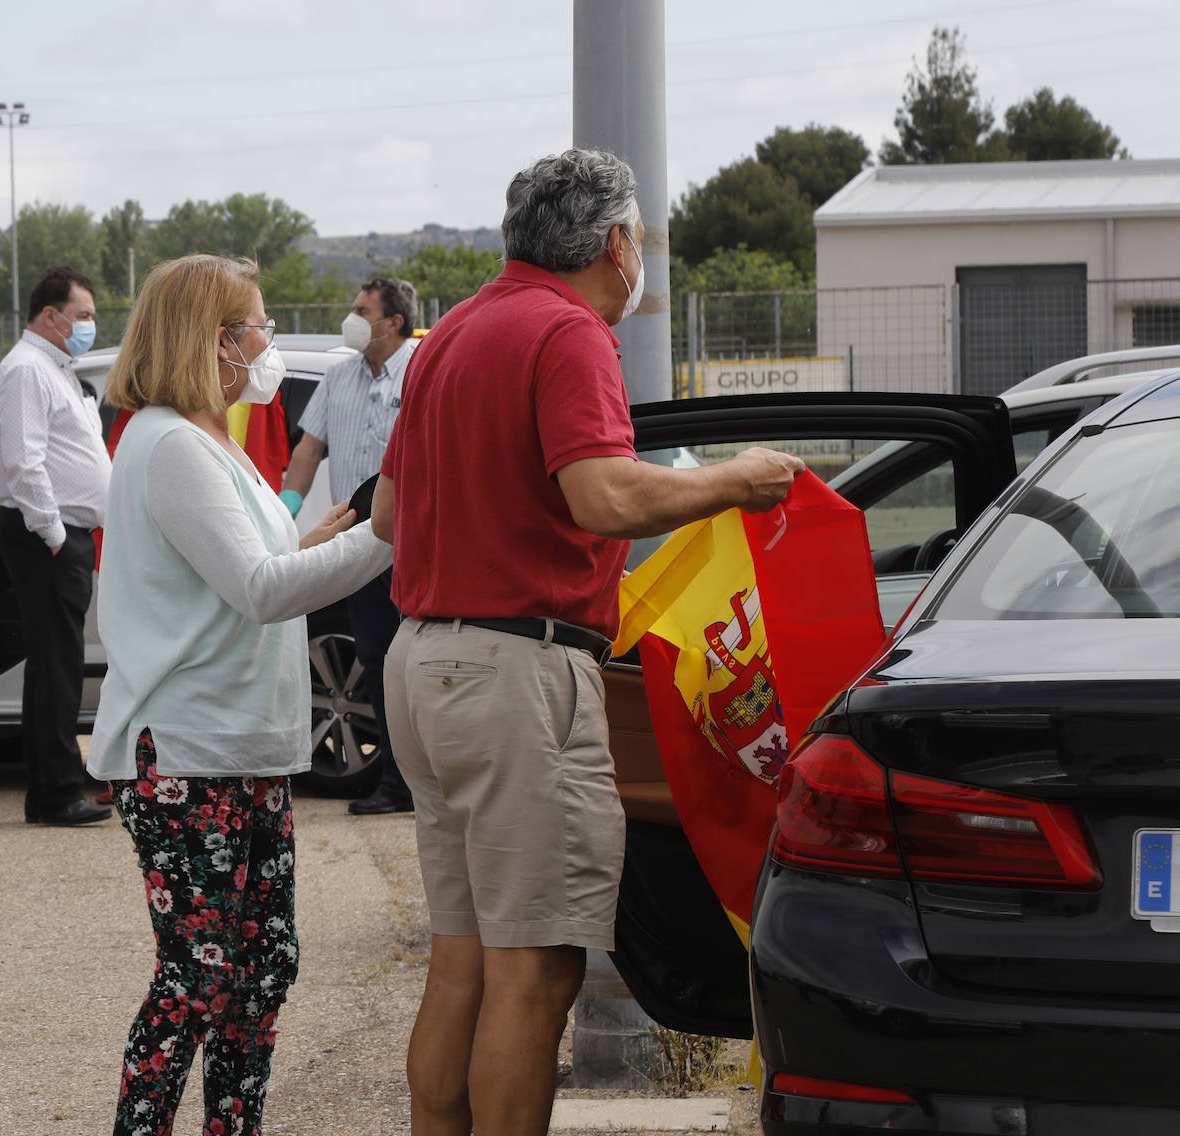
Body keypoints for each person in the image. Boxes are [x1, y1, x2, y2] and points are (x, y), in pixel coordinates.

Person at [371, 148, 805, 1136]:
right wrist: (736, 480)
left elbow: (392, 512)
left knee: (462, 955)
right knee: (535, 967)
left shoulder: (449, 337)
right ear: (616, 242)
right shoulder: (568, 334)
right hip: (519, 671)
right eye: (640, 240)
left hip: (423, 662)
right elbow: (604, 495)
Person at [87, 253, 391, 1136]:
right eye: (256, 325)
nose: (267, 343)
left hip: (236, 746)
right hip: (187, 750)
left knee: (262, 966)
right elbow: (261, 589)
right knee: (198, 975)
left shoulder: (206, 436)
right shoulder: (174, 443)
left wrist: (324, 536)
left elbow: (251, 567)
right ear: (215, 342)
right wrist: (383, 536)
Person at [280, 277, 420, 816]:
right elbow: (309, 449)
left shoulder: (422, 370)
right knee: (376, 657)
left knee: (419, 658)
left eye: (362, 310)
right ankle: (395, 780)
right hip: (356, 543)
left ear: (393, 323)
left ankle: (428, 775)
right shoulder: (338, 377)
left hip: (411, 541)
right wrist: (287, 509)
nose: (352, 317)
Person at [0, 264, 112, 827]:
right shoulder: (26, 371)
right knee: (58, 666)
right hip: (48, 537)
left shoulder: (57, 369)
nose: (90, 324)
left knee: (53, 666)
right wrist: (58, 537)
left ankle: (51, 787)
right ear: (50, 315)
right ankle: (58, 791)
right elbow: (23, 463)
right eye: (83, 315)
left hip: (63, 535)